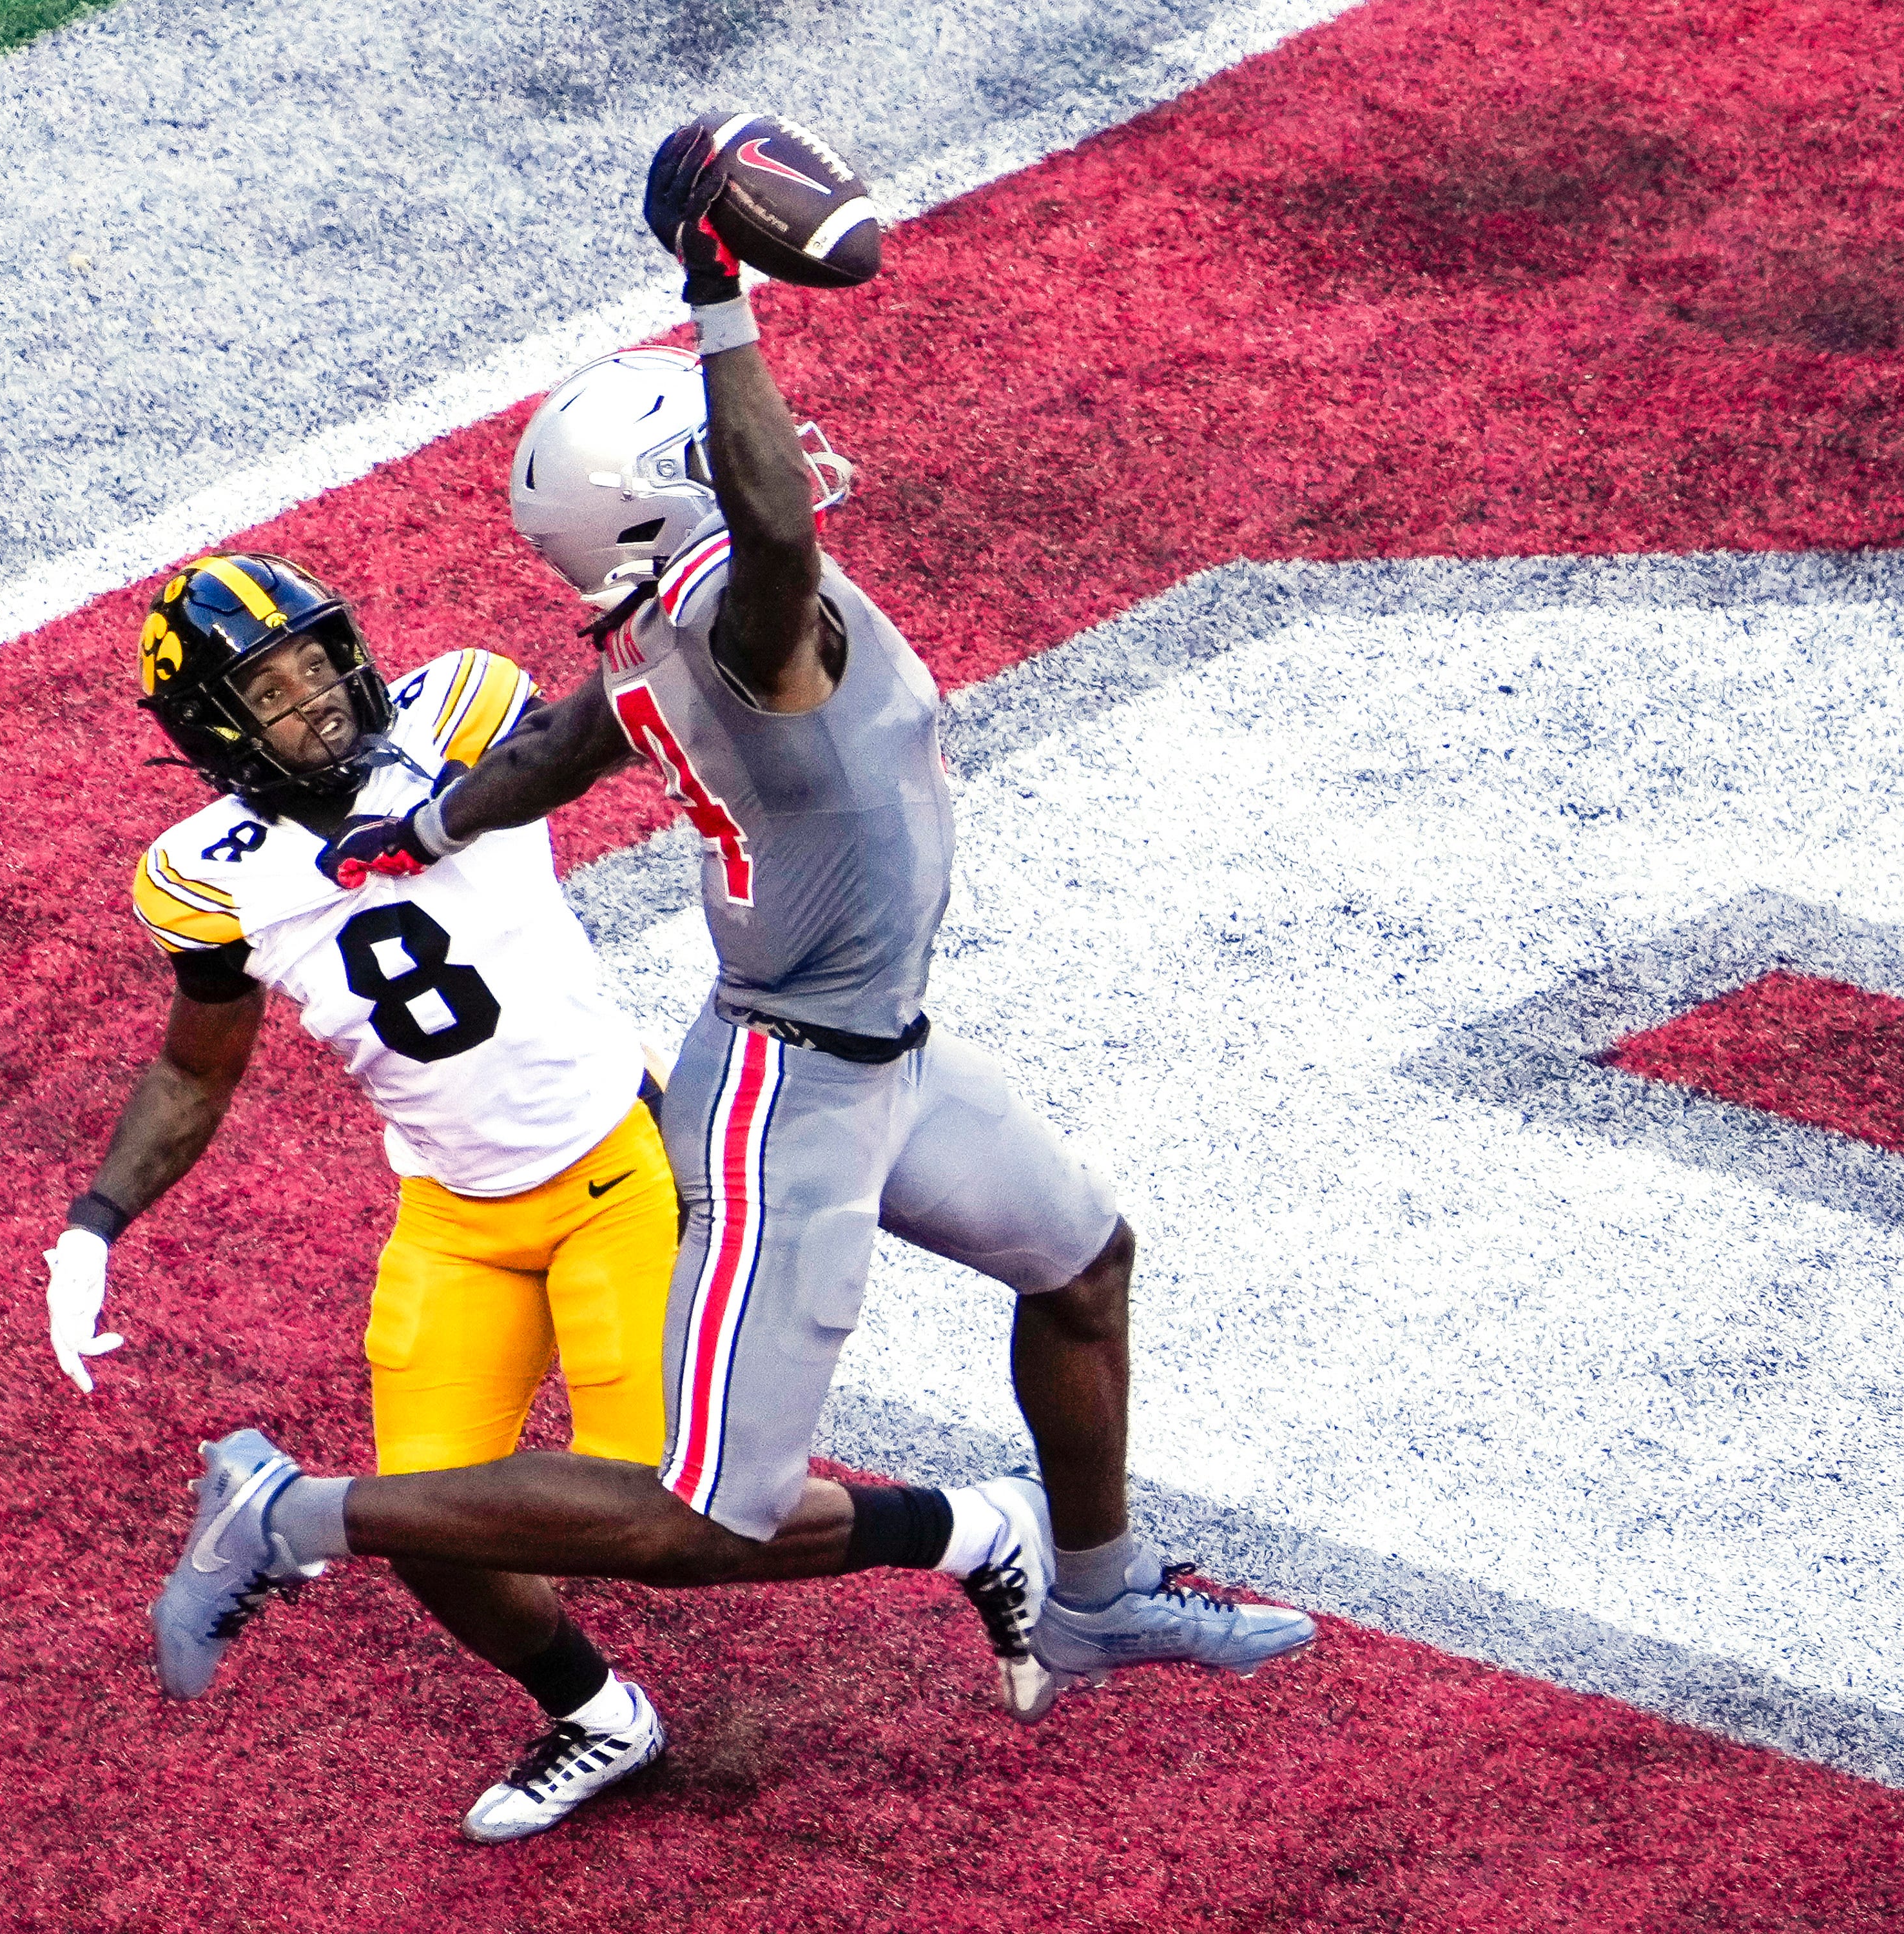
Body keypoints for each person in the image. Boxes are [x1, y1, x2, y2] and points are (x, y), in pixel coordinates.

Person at [150, 110, 1316, 1755]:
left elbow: (560, 741)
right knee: (713, 1521)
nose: (768, 454)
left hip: (885, 1049)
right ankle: (291, 1515)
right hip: (795, 1093)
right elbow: (767, 534)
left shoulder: (651, 645)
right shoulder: (727, 612)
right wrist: (717, 300)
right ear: (658, 514)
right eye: (709, 449)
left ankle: (1100, 1588)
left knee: (1081, 1264)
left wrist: (424, 823)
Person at [49, 550, 1052, 1842]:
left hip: (618, 1168)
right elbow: (196, 1071)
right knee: (425, 1522)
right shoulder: (202, 873)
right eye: (272, 685)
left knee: (688, 1516)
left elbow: (587, 746)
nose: (319, 698)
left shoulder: (458, 707)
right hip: (454, 1217)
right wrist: (95, 1223)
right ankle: (596, 1714)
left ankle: (977, 1528)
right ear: (213, 732)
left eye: (318, 656)